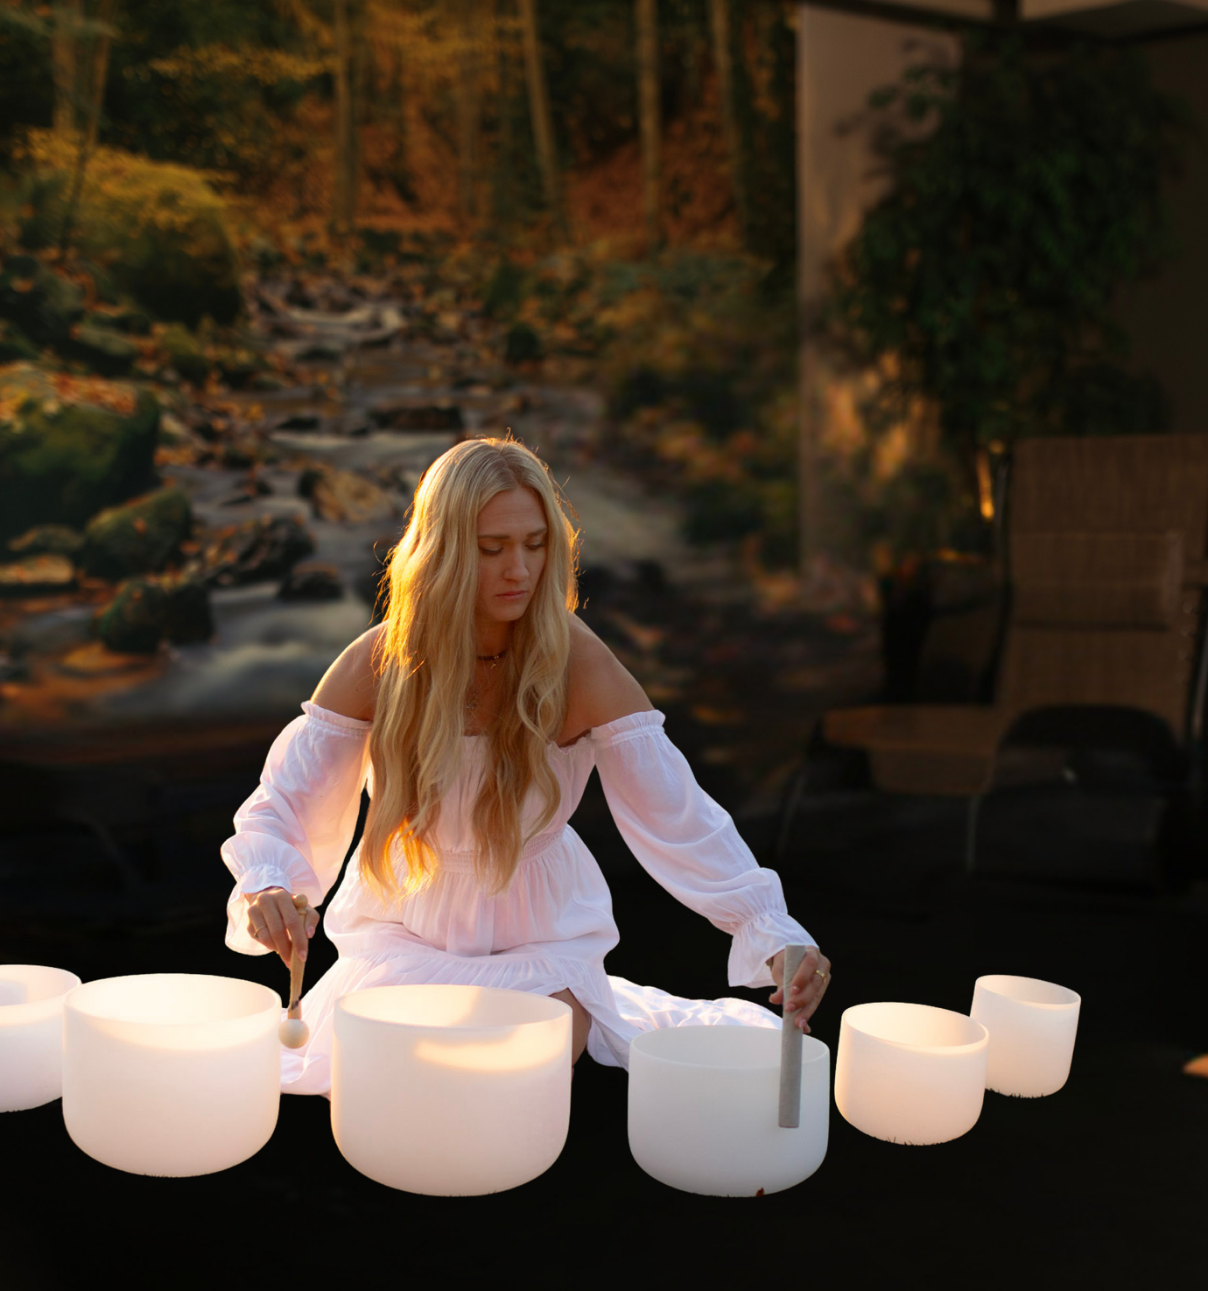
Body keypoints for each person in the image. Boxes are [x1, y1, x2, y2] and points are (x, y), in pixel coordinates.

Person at [222, 436, 829, 1094]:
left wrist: (771, 929)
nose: (521, 569)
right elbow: (284, 803)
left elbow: (680, 816)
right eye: (493, 547)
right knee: (394, 1090)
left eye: (536, 544)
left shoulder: (578, 663)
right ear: (445, 549)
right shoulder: (380, 662)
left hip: (542, 944)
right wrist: (270, 884)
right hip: (405, 934)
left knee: (508, 1086)